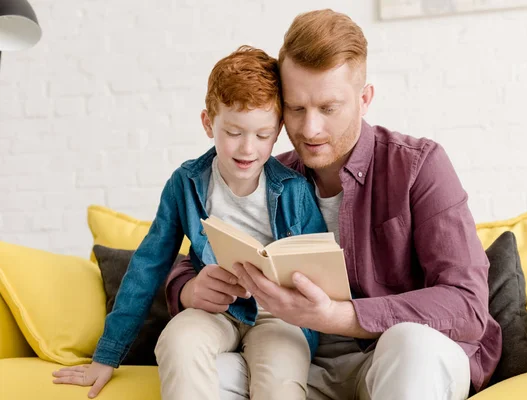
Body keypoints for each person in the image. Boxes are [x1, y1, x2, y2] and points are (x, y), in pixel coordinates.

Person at [163, 9, 502, 400]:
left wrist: (339, 316)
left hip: (391, 359)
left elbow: (468, 305)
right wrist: (189, 287)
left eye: (328, 108)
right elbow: (193, 258)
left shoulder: (418, 165)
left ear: (364, 99)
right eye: (296, 108)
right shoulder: (272, 178)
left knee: (414, 345)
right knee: (208, 373)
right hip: (302, 361)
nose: (310, 130)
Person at [52, 46, 328, 400]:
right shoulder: (186, 184)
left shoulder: (294, 190)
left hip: (278, 317)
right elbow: (148, 264)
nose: (247, 149)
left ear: (277, 133)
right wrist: (107, 355)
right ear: (207, 123)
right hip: (216, 311)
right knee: (177, 341)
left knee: (280, 379)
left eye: (262, 135)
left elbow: (321, 265)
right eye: (233, 132)